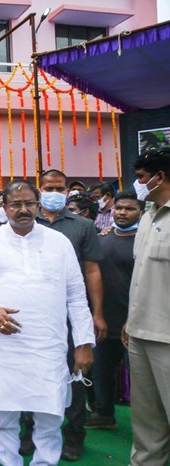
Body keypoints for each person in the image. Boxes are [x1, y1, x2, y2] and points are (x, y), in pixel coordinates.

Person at [0, 179, 95, 466]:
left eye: (28, 203)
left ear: (37, 205)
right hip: (2, 347)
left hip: (47, 346)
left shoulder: (59, 243)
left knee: (50, 416)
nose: (22, 209)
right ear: (5, 207)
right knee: (4, 419)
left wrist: (84, 343)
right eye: (15, 204)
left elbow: (76, 296)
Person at [33, 168, 106, 461]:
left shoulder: (82, 226)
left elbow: (92, 271)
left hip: (70, 313)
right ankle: (30, 431)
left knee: (73, 375)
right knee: (33, 374)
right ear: (39, 189)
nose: (53, 192)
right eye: (48, 187)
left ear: (67, 191)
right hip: (34, 314)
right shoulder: (25, 222)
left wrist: (96, 314)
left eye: (59, 187)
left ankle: (74, 435)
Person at [126, 146, 170, 466]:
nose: (138, 185)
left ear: (160, 177)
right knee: (146, 420)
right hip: (139, 333)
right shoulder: (146, 217)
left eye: (142, 178)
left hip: (167, 337)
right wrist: (130, 322)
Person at [84, 191, 143, 431]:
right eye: (119, 208)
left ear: (141, 212)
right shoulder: (101, 238)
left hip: (135, 324)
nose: (122, 212)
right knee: (101, 372)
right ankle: (104, 414)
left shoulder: (144, 241)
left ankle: (149, 427)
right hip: (103, 320)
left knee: (140, 380)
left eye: (129, 209)